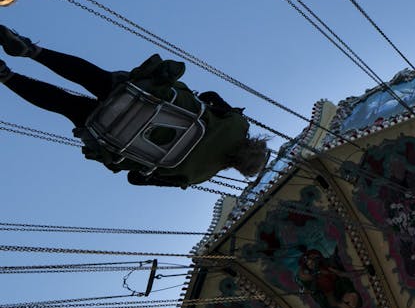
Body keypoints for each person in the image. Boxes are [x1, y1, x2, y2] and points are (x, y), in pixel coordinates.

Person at [0, 25, 269, 188]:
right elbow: (138, 179)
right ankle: (6, 76)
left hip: (143, 100)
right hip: (114, 132)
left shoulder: (237, 126)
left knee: (95, 78)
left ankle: (32, 51)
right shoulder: (197, 176)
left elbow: (210, 95)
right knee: (65, 105)